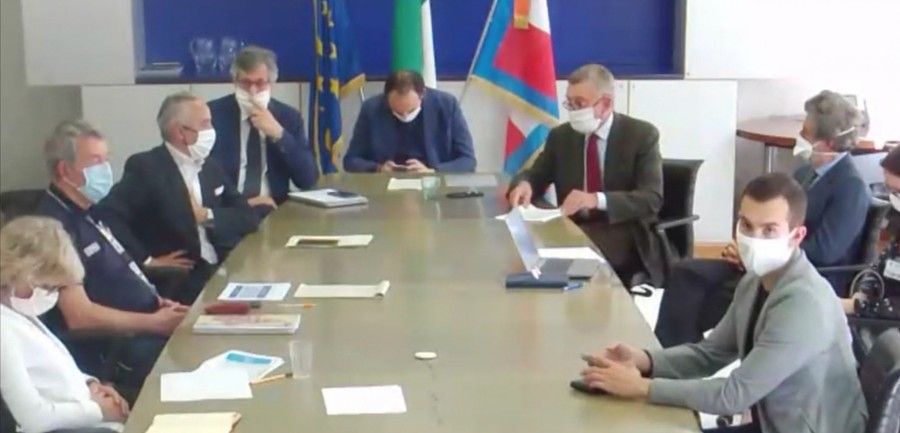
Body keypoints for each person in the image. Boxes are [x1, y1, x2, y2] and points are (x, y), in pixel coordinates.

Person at [580, 173, 866, 433]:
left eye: (769, 230)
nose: (754, 239)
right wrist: (644, 359)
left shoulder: (803, 304)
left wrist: (642, 387)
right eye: (746, 225)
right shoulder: (755, 280)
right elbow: (709, 353)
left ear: (797, 236)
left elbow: (733, 395)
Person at [655, 90, 869, 347]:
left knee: (702, 298)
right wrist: (748, 247)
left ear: (829, 143)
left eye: (806, 132)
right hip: (763, 263)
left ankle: (684, 355)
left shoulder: (851, 187)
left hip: (800, 276)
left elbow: (824, 251)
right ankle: (667, 356)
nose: (799, 137)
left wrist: (761, 253)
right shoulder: (804, 173)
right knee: (685, 273)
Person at [36, 120, 188, 388]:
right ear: (64, 169)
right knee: (190, 364)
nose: (105, 169)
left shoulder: (90, 212)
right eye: (95, 161)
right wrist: (153, 323)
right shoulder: (52, 228)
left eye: (106, 159)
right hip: (114, 346)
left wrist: (157, 302)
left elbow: (119, 271)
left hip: (144, 322)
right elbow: (79, 316)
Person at [507, 63, 663, 286]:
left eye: (580, 104)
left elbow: (651, 199)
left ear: (606, 103)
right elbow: (536, 174)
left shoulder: (641, 135)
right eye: (569, 104)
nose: (573, 112)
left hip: (623, 230)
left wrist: (595, 199)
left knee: (568, 254)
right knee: (526, 247)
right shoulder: (561, 137)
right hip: (573, 226)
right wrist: (525, 184)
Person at [96, 92, 259, 304]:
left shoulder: (210, 166)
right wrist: (145, 259)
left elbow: (247, 217)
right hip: (182, 279)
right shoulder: (147, 168)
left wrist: (207, 215)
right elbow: (108, 214)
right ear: (180, 132)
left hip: (223, 266)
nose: (212, 131)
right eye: (205, 124)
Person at [0, 216, 129, 433]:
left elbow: (53, 370)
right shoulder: (3, 330)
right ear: (17, 274)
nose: (50, 295)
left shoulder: (19, 312)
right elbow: (32, 418)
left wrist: (91, 385)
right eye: (48, 287)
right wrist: (98, 410)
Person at [208, 46, 318, 214]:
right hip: (229, 210)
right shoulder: (213, 115)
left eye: (259, 83)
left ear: (272, 83)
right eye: (245, 83)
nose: (252, 91)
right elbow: (206, 174)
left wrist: (279, 134)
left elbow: (308, 180)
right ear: (234, 81)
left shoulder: (289, 117)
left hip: (275, 209)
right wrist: (242, 204)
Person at [344, 69, 476, 173]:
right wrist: (378, 168)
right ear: (386, 98)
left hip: (432, 182)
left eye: (411, 110)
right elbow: (351, 161)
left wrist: (433, 171)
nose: (405, 116)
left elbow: (468, 160)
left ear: (423, 94)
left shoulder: (447, 105)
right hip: (386, 183)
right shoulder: (371, 108)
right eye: (397, 111)